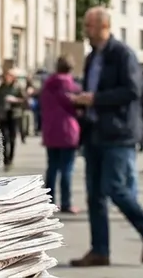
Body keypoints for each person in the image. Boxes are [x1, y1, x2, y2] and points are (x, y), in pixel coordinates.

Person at [69, 7, 143, 267]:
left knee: (116, 188)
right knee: (94, 194)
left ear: (103, 27)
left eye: (89, 26)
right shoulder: (92, 57)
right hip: (95, 130)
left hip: (119, 131)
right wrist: (82, 101)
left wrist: (96, 99)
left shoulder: (122, 54)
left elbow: (133, 90)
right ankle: (100, 250)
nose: (85, 30)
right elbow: (93, 89)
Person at [40, 57, 82, 214]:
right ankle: (66, 202)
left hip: (50, 129)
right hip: (67, 130)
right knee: (67, 169)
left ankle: (48, 201)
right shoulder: (71, 85)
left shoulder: (47, 85)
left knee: (52, 167)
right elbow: (77, 102)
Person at [0, 69, 27, 168]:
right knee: (3, 137)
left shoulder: (17, 88)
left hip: (14, 114)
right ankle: (5, 158)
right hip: (3, 114)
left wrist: (15, 100)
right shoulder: (0, 88)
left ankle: (11, 158)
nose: (7, 78)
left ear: (13, 78)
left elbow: (24, 101)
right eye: (5, 76)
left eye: (9, 76)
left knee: (12, 137)